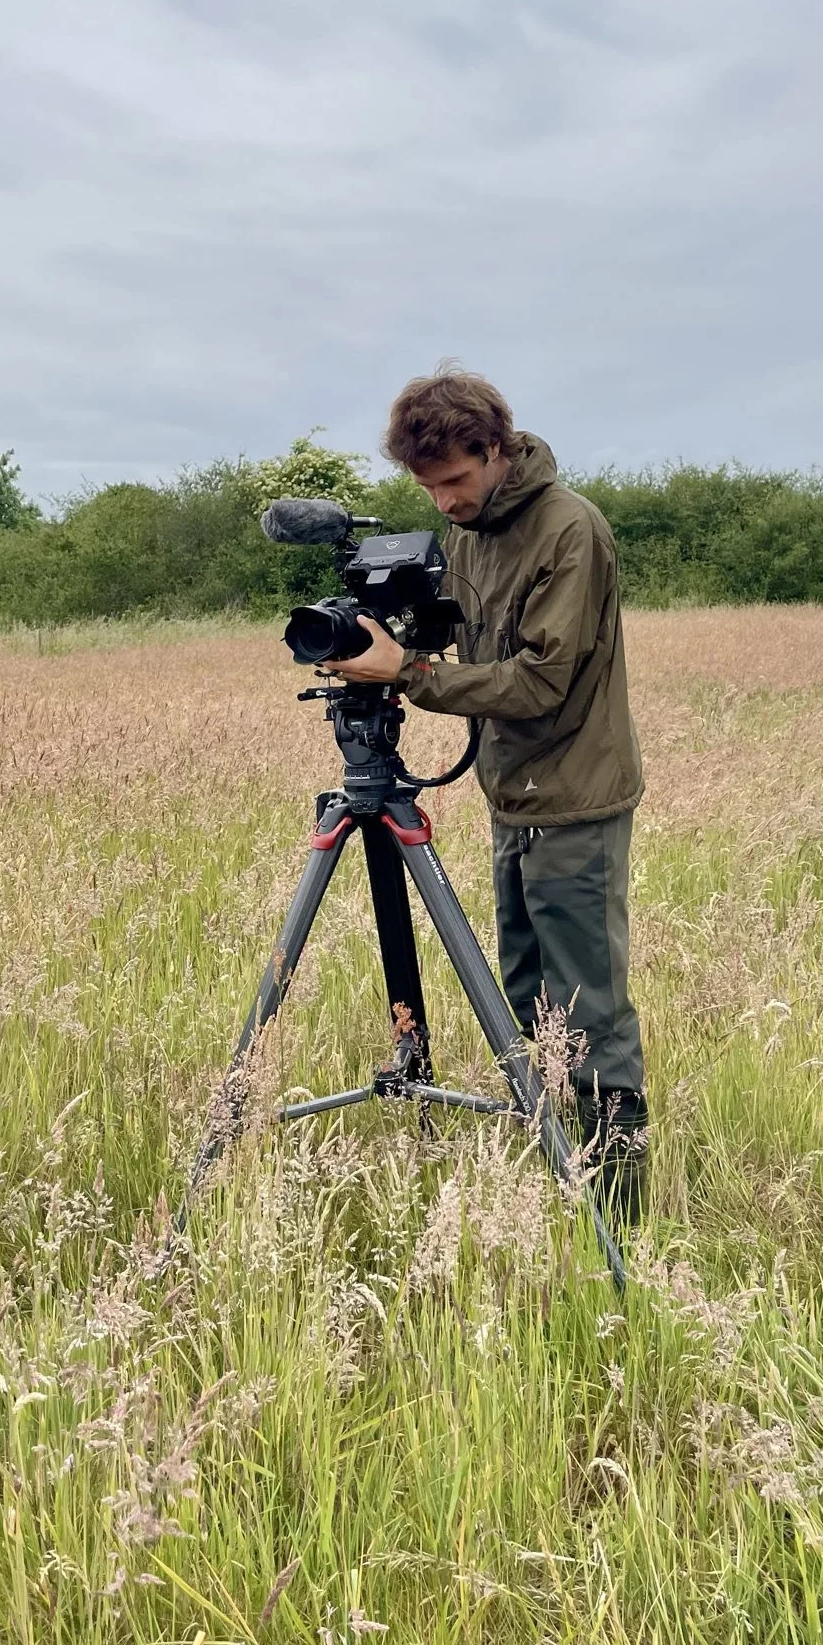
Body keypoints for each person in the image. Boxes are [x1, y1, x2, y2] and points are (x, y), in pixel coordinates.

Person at [324, 365, 649, 1221]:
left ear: (497, 449)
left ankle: (617, 1205)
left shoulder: (567, 531)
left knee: (587, 1006)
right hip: (514, 795)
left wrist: (415, 675)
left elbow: (541, 681)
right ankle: (560, 1154)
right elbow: (452, 637)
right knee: (530, 992)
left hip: (575, 797)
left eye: (456, 480)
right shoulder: (467, 533)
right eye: (427, 488)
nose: (443, 502)